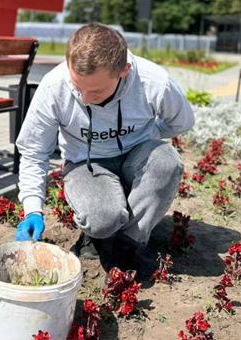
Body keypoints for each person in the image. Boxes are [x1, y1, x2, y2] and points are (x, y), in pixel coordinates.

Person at [13, 23, 194, 277]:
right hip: (86, 165)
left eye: (96, 91)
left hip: (137, 157)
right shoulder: (53, 87)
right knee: (101, 218)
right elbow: (34, 151)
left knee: (166, 161)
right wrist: (32, 209)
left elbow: (182, 122)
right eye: (77, 87)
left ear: (124, 71)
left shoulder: (154, 82)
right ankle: (99, 233)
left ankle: (129, 243)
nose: (85, 99)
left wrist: (149, 135)